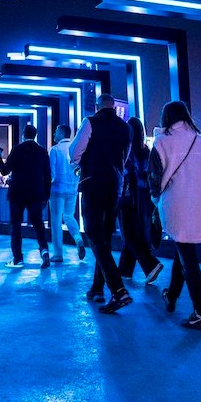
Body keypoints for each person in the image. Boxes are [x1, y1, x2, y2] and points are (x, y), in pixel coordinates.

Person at [152, 100, 201, 330]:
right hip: (200, 205)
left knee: (189, 260)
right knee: (184, 251)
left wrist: (154, 200)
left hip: (177, 206)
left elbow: (154, 179)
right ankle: (171, 296)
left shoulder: (162, 141)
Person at [71, 93, 134, 313]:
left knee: (94, 236)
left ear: (98, 106)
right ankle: (97, 288)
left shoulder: (90, 122)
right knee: (104, 238)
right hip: (115, 185)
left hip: (93, 182)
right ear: (114, 106)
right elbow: (124, 158)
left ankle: (118, 291)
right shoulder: (126, 128)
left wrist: (81, 163)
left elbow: (74, 152)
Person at [91, 117, 164, 294]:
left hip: (127, 197)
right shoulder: (146, 151)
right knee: (133, 231)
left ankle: (150, 265)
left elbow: (123, 173)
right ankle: (125, 270)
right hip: (144, 198)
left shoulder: (127, 151)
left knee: (129, 234)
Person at [0, 125, 52, 268]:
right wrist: (46, 196)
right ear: (35, 135)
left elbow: (4, 171)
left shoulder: (17, 150)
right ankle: (44, 251)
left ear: (23, 135)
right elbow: (47, 176)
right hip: (36, 193)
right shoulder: (42, 152)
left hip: (17, 193)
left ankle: (18, 258)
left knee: (16, 225)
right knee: (38, 223)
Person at [48, 124, 87, 262]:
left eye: (56, 131)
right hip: (73, 189)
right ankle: (78, 239)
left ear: (62, 132)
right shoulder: (75, 148)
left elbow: (51, 174)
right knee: (69, 216)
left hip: (57, 190)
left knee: (56, 221)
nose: (54, 134)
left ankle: (58, 254)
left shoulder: (55, 150)